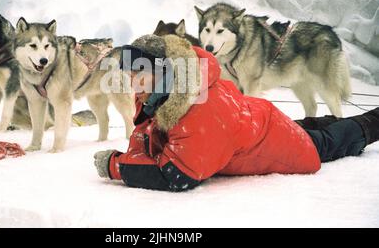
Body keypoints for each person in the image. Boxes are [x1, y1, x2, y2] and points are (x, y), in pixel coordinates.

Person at [94, 34, 379, 192]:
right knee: (314, 127)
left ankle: (372, 123)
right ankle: (328, 122)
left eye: (140, 75)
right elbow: (149, 134)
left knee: (328, 141)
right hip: (257, 122)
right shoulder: (165, 92)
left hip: (277, 143)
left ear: (165, 72)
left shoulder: (198, 110)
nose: (134, 84)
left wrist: (116, 166)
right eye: (131, 75)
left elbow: (177, 173)